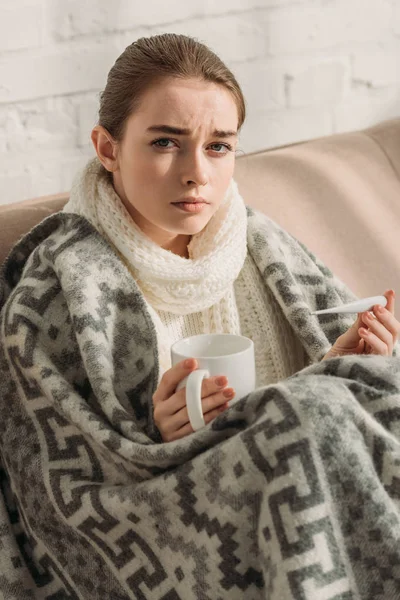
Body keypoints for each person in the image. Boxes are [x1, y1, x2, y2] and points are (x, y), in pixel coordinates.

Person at [1, 33, 400, 600]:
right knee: (303, 422)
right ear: (108, 148)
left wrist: (351, 363)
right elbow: (61, 482)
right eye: (167, 142)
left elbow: (346, 398)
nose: (197, 174)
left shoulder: (260, 241)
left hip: (288, 478)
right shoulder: (57, 289)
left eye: (218, 146)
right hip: (170, 520)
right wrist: (159, 436)